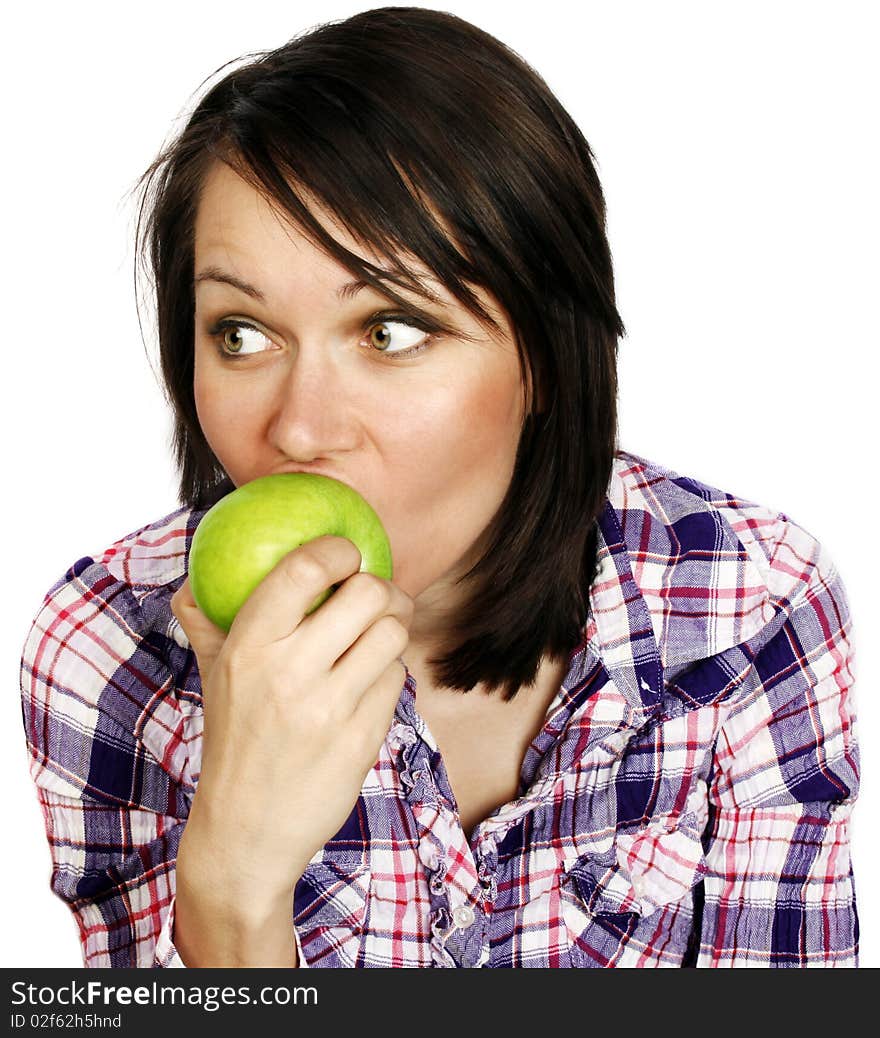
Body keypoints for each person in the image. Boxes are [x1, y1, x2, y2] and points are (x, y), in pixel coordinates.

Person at [19, 6, 859, 968]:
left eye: (389, 331)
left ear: (544, 354)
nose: (297, 428)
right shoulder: (110, 651)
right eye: (241, 335)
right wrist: (233, 892)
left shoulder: (749, 606)